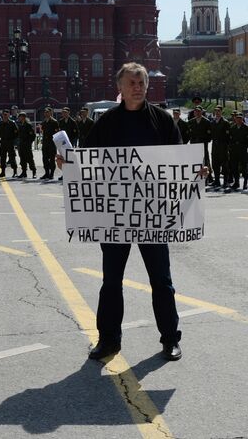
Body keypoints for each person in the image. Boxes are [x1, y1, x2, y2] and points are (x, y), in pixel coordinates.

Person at [57, 63, 195, 362]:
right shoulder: (106, 123)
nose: (137, 87)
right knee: (111, 281)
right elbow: (86, 163)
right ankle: (108, 340)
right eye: (131, 82)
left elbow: (179, 162)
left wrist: (196, 172)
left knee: (162, 281)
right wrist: (68, 165)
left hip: (152, 213)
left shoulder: (162, 121)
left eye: (142, 82)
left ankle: (170, 339)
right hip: (115, 216)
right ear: (119, 87)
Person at [188, 105, 212, 183]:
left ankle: (207, 178)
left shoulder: (206, 121)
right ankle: (196, 176)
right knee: (195, 161)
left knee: (205, 161)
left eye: (199, 111)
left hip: (203, 144)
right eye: (196, 111)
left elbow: (209, 134)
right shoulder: (191, 122)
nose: (197, 113)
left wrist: (205, 142)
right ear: (194, 112)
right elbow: (189, 134)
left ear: (201, 112)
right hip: (194, 144)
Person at [211, 106, 230, 188]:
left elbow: (228, 136)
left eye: (218, 111)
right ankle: (217, 181)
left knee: (224, 164)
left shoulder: (225, 122)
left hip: (223, 145)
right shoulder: (213, 122)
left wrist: (227, 146)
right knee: (215, 164)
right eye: (216, 111)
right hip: (215, 145)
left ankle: (225, 181)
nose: (217, 112)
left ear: (221, 112)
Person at [229, 112, 248, 190]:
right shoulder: (232, 128)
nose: (238, 120)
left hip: (243, 149)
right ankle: (236, 182)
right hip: (234, 150)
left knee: (244, 168)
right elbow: (230, 139)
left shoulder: (246, 128)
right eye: (237, 118)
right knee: (234, 167)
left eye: (240, 118)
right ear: (235, 119)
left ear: (242, 119)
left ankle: (245, 183)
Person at [0, 109, 18, 178]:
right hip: (3, 142)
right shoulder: (0, 123)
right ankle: (3, 172)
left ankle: (15, 172)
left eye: (6, 114)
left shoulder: (12, 123)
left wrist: (13, 141)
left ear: (9, 115)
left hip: (10, 142)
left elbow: (16, 133)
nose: (5, 116)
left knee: (12, 157)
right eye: (4, 114)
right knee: (2, 157)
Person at [40, 107, 59, 180]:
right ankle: (46, 173)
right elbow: (43, 132)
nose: (46, 113)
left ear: (51, 113)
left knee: (51, 159)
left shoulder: (54, 122)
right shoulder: (44, 122)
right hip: (45, 143)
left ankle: (52, 173)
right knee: (45, 158)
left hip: (52, 143)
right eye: (45, 112)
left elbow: (57, 132)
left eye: (48, 112)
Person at [17, 112, 36, 179]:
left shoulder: (28, 125)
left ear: (23, 117)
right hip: (21, 144)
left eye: (20, 117)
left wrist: (29, 143)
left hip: (27, 145)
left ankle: (34, 172)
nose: (19, 118)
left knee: (30, 158)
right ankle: (24, 172)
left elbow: (33, 136)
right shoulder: (20, 124)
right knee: (22, 159)